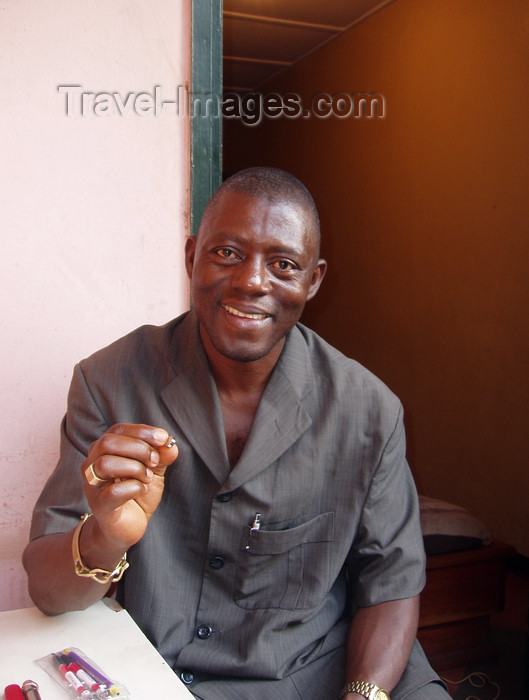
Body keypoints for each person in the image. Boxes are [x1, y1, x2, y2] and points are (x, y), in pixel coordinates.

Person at [23, 167, 449, 700]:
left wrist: (362, 696)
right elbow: (48, 590)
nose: (251, 281)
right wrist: (105, 535)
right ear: (191, 257)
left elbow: (390, 583)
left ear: (312, 281)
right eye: (227, 253)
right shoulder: (110, 382)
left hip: (313, 676)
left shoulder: (368, 411)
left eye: (283, 265)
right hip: (158, 674)